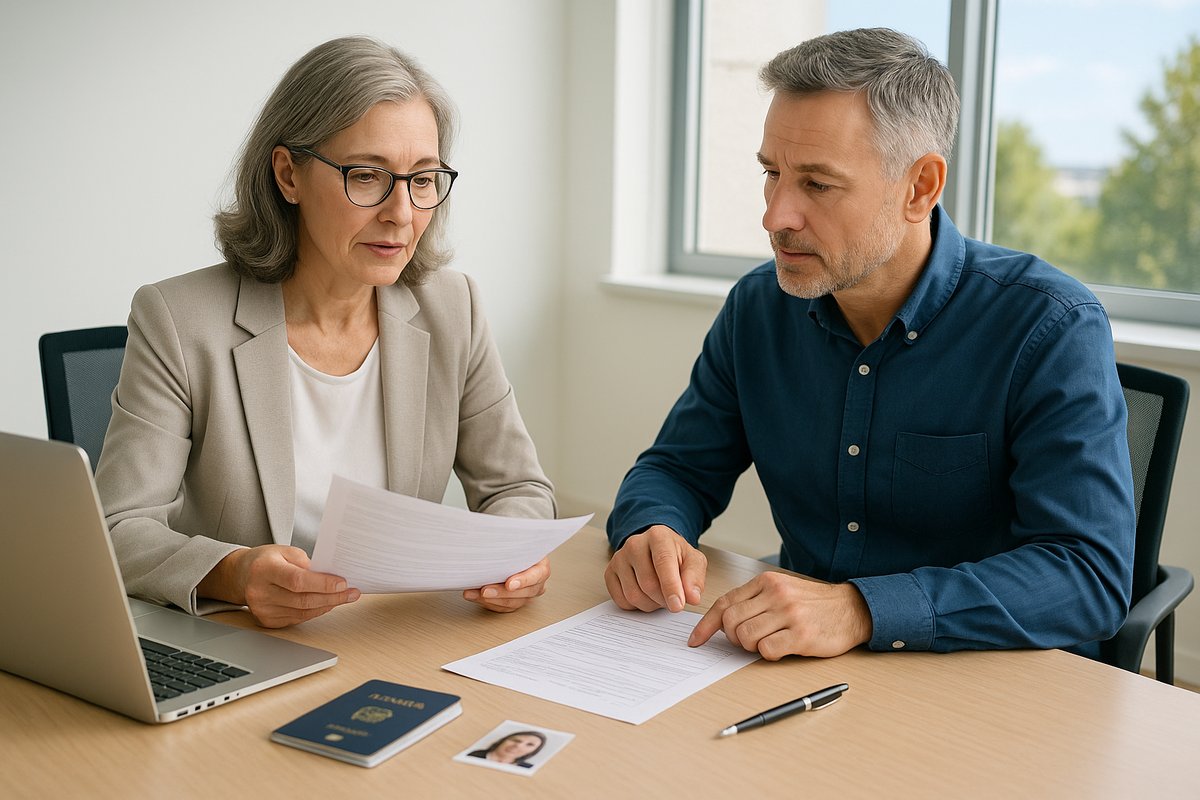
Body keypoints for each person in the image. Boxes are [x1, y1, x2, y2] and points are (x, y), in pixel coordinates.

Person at [603, 28, 1135, 660]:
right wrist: (651, 526)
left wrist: (861, 609)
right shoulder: (758, 308)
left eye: (818, 185)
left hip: (984, 680)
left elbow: (1087, 578)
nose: (775, 216)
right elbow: (677, 468)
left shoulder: (1050, 326)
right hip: (798, 665)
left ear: (920, 188)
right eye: (771, 174)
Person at [96, 36, 556, 628]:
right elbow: (117, 528)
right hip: (248, 644)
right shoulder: (179, 319)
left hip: (398, 635)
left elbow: (518, 487)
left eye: (422, 179)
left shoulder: (452, 307)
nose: (402, 212)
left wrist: (514, 554)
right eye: (367, 176)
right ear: (288, 174)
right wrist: (233, 572)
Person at [467, 731, 546, 768]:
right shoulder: (474, 755)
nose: (518, 745)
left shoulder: (527, 768)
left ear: (534, 751)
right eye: (516, 740)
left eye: (530, 744)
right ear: (502, 741)